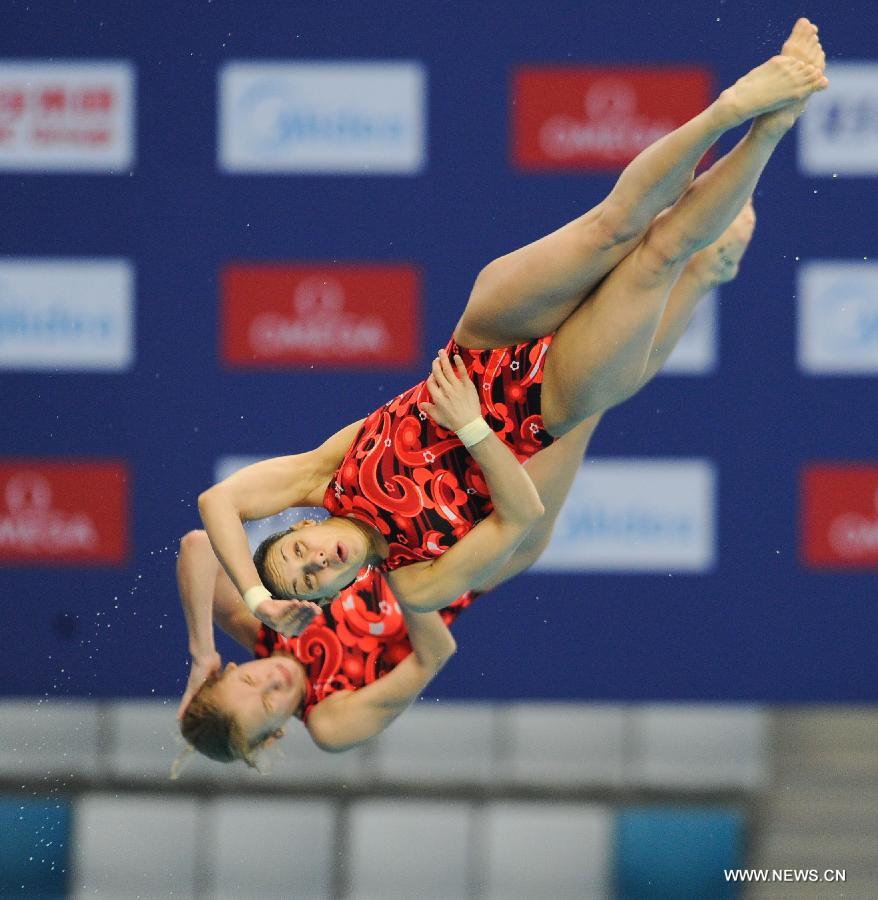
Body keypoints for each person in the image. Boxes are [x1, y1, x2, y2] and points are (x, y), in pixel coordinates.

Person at [197, 22, 825, 634]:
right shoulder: (417, 584)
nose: (315, 563)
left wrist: (254, 598)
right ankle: (773, 125)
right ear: (337, 594)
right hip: (541, 408)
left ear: (303, 527)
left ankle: (733, 106)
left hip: (484, 339)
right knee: (659, 256)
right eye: (311, 583)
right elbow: (522, 517)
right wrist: (471, 425)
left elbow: (216, 504)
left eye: (298, 554)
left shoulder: (320, 477)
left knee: (613, 225)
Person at [177, 197, 759, 766]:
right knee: (588, 407)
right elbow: (434, 657)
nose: (271, 686)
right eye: (268, 708)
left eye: (249, 682)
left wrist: (202, 648)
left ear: (235, 667)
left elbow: (198, 546)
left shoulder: (266, 623)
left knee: (584, 375)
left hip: (437, 485)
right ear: (275, 737)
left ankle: (688, 260)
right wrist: (401, 575)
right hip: (476, 550)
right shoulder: (331, 721)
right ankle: (703, 274)